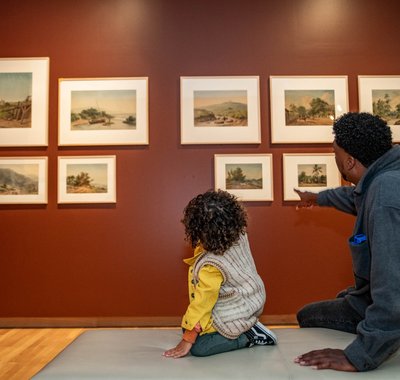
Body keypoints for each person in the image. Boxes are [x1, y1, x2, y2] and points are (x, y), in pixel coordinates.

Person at [294, 112, 400, 372]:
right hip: (373, 296)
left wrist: (361, 354)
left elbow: (392, 284)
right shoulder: (384, 175)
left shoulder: (385, 194)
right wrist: (317, 198)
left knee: (306, 316)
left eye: (335, 153)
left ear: (350, 162)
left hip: (388, 301)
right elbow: (353, 196)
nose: (335, 158)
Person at [163, 189, 277, 358]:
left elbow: (202, 304)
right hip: (252, 295)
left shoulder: (211, 266)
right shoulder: (239, 233)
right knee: (189, 323)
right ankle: (248, 326)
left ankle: (250, 335)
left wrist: (188, 338)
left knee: (199, 347)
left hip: (240, 306)